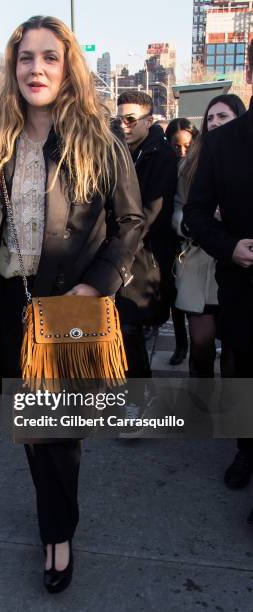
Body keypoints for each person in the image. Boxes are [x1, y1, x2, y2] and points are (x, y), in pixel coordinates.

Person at [0, 15, 144, 593]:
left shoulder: (99, 141)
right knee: (36, 432)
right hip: (12, 307)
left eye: (49, 57)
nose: (35, 68)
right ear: (13, 69)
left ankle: (58, 535)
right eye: (24, 58)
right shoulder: (0, 144)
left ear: (69, 69)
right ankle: (53, 519)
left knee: (56, 435)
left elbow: (131, 222)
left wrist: (95, 285)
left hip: (68, 308)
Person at [183, 41, 253, 506]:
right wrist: (231, 247)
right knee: (245, 373)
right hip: (244, 284)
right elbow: (196, 212)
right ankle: (246, 450)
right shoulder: (226, 141)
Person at [172, 95, 246, 379]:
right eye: (210, 118)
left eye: (223, 117)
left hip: (237, 264)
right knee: (201, 342)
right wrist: (193, 223)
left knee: (234, 347)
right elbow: (177, 208)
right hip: (197, 262)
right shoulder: (190, 162)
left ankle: (229, 411)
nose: (214, 122)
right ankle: (198, 404)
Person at [115, 91, 178, 388]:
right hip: (119, 254)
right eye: (120, 119)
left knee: (129, 328)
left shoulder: (160, 155)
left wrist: (118, 251)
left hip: (143, 257)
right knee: (123, 331)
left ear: (148, 120)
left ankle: (139, 404)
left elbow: (152, 214)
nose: (124, 125)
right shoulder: (120, 150)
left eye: (130, 119)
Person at [165, 118, 200, 367]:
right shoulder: (166, 165)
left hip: (200, 240)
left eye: (187, 145)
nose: (182, 152)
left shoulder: (203, 163)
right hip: (174, 239)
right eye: (177, 146)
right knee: (175, 297)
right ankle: (181, 344)